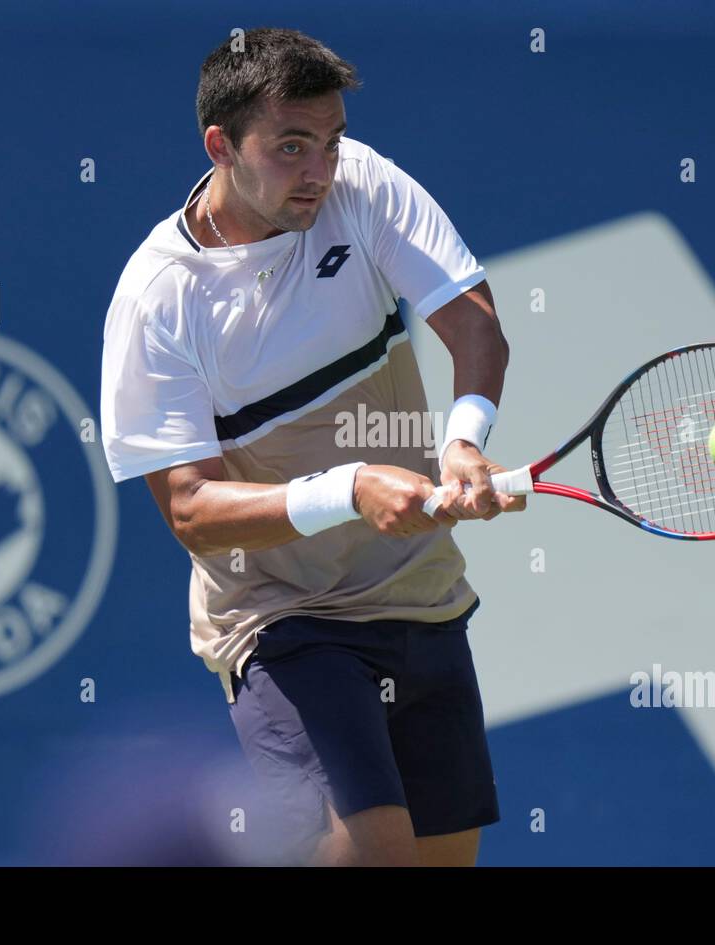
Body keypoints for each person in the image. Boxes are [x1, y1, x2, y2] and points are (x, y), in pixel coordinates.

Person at [99, 27, 523, 866]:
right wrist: (350, 486)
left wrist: (466, 441)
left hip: (421, 598)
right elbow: (191, 508)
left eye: (328, 142)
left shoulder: (360, 185)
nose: (320, 169)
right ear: (220, 145)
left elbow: (474, 324)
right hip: (286, 620)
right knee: (372, 855)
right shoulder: (159, 300)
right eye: (290, 146)